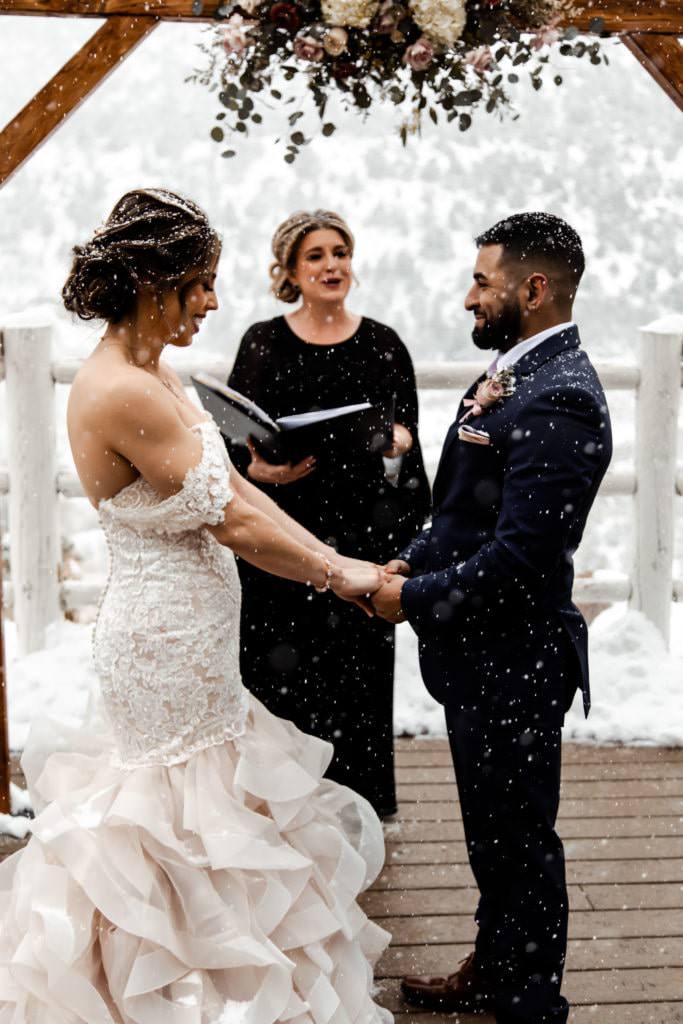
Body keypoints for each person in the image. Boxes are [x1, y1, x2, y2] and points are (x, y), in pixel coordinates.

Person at [0, 188, 394, 1024]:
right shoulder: (122, 390)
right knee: (177, 834)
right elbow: (235, 519)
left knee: (201, 824)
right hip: (162, 645)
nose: (214, 301)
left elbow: (240, 497)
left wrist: (338, 557)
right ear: (151, 281)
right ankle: (180, 998)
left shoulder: (157, 373)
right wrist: (341, 575)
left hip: (197, 639)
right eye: (201, 283)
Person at [372, 212, 613, 1023]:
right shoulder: (517, 372)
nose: (468, 295)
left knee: (520, 842)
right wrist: (413, 554)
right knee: (493, 836)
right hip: (480, 657)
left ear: (532, 289)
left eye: (483, 281)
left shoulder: (563, 398)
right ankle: (496, 962)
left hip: (517, 656)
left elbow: (518, 560)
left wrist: (407, 599)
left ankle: (531, 1001)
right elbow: (464, 508)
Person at [227, 210, 430, 819]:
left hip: (363, 532)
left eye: (339, 252)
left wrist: (399, 447)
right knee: (276, 677)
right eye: (315, 255)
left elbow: (410, 453)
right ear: (289, 269)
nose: (332, 264)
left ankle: (359, 809)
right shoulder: (262, 342)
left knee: (357, 681)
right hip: (282, 536)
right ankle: (280, 807)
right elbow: (236, 441)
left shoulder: (385, 344)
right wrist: (260, 472)